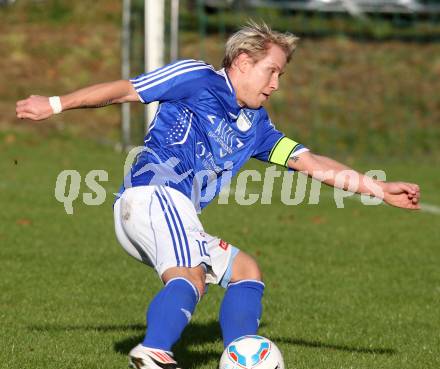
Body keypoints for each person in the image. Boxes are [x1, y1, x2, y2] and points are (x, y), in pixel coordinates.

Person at [16, 22, 420, 369]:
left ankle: (241, 351)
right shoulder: (197, 78)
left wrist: (378, 188)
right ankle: (152, 351)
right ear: (243, 61)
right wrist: (54, 104)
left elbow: (310, 163)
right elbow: (128, 89)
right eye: (272, 71)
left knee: (245, 270)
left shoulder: (258, 127)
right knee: (190, 274)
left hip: (175, 211)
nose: (275, 85)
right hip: (153, 197)